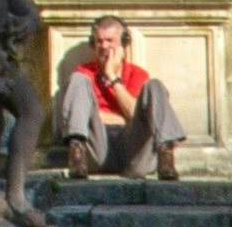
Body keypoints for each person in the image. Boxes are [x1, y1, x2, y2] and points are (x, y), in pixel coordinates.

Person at [54, 19, 184, 183]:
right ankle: (77, 154)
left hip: (133, 151)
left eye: (110, 41)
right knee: (77, 80)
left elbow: (133, 113)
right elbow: (80, 115)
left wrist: (112, 77)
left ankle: (166, 154)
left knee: (155, 86)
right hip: (97, 148)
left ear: (124, 44)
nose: (103, 46)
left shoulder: (138, 74)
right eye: (99, 41)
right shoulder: (84, 74)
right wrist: (121, 117)